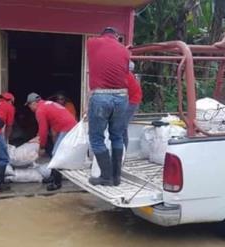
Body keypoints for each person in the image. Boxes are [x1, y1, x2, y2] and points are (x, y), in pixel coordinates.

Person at [87, 27, 129, 187]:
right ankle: (116, 177)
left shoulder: (92, 42)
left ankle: (106, 177)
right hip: (121, 97)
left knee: (97, 139)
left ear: (102, 34)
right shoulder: (124, 50)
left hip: (101, 97)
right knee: (117, 136)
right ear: (117, 36)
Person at [25, 92, 77, 191]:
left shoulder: (40, 110)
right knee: (55, 152)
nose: (30, 109)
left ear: (33, 103)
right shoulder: (46, 104)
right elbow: (43, 129)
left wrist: (42, 147)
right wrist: (38, 137)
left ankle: (57, 183)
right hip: (69, 126)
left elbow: (43, 130)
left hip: (68, 128)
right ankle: (53, 177)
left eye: (29, 106)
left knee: (56, 153)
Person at [123, 62, 142, 150]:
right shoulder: (128, 75)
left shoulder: (126, 75)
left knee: (121, 126)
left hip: (131, 101)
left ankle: (121, 152)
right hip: (131, 100)